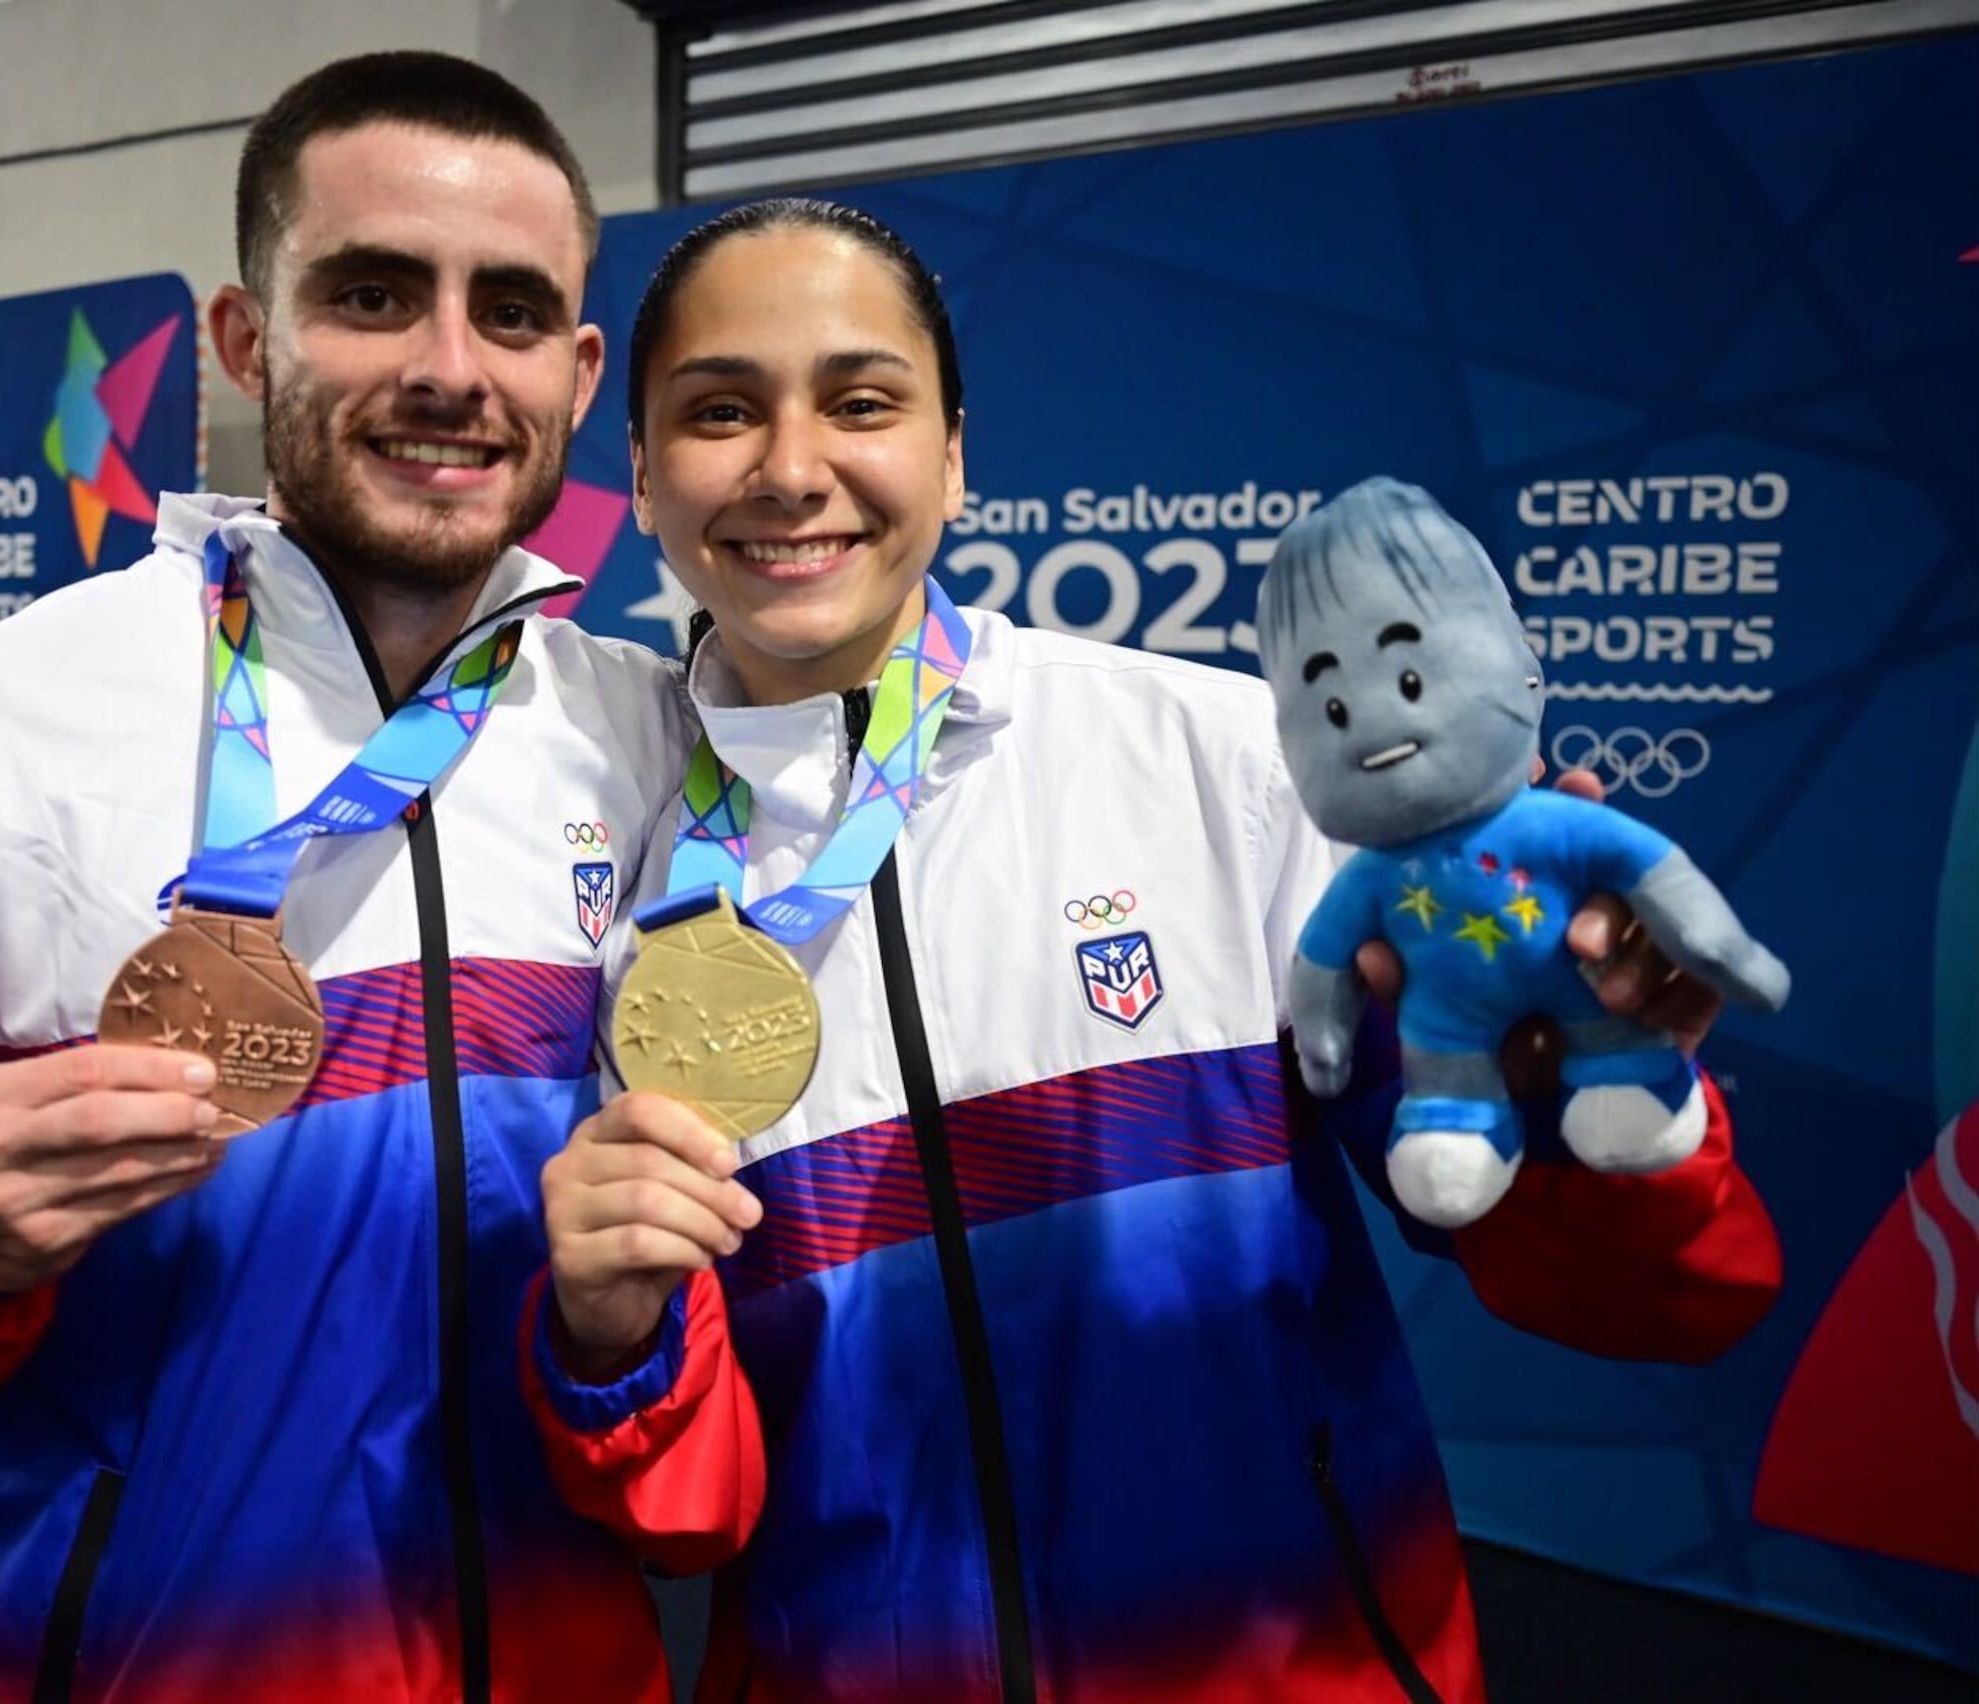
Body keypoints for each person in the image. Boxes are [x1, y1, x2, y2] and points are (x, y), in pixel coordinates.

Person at [524, 199, 1784, 1703]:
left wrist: (1593, 1094)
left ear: (952, 454)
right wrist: (609, 1339)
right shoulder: (617, 893)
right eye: (722, 412)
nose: (794, 469)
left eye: (862, 402)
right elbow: (687, 1515)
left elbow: (1649, 1301)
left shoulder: (1227, 766)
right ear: (647, 478)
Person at [0, 53, 690, 1704]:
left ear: (579, 366)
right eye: (374, 293)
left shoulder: (641, 742)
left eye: (512, 310)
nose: (448, 366)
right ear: (245, 341)